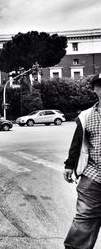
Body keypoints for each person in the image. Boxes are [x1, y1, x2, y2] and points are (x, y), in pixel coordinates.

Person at [64, 73, 101, 248]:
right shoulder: (86, 116)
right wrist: (69, 166)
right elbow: (77, 142)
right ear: (95, 89)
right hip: (93, 174)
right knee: (85, 216)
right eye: (100, 86)